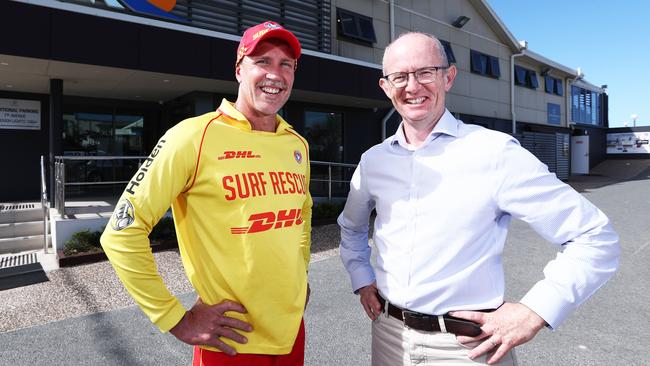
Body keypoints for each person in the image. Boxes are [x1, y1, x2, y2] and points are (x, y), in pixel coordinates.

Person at [338, 32, 620, 365]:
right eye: (400, 76)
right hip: (389, 337)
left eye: (425, 72)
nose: (412, 86)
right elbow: (352, 228)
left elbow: (594, 238)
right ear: (386, 87)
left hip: (467, 348)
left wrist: (535, 310)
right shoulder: (374, 161)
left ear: (449, 77)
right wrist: (362, 278)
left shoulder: (494, 153)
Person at [101, 21, 312, 366]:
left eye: (285, 64)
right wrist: (175, 318)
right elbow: (122, 232)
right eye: (263, 61)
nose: (276, 74)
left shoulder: (296, 143)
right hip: (230, 342)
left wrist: (301, 276)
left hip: (291, 332)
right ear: (239, 69)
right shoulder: (191, 137)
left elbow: (301, 214)